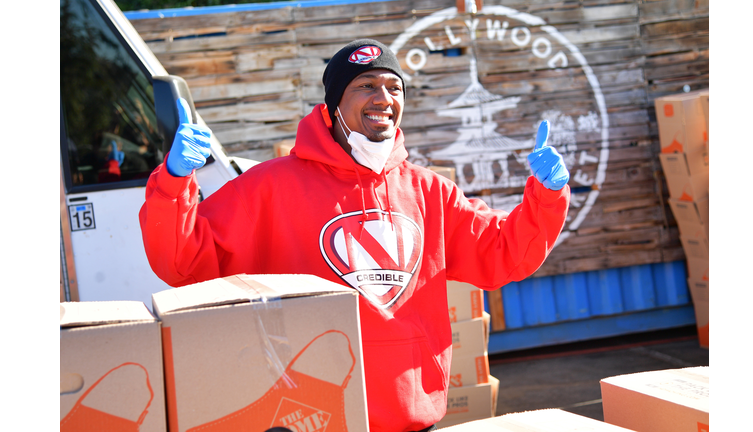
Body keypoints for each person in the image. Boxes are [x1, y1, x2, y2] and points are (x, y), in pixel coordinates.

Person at [140, 38, 570, 432]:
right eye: (365, 86)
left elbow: (503, 252)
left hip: (410, 416)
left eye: (393, 87)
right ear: (332, 107)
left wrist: (547, 197)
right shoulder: (268, 187)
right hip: (312, 415)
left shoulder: (429, 190)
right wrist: (175, 181)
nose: (384, 98)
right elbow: (184, 264)